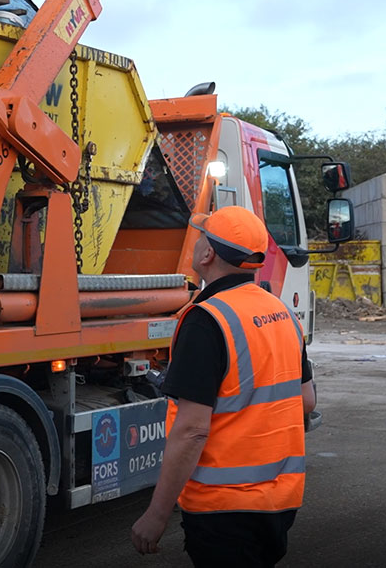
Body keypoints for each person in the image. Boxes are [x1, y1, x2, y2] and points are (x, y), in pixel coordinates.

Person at [131, 206, 316, 565]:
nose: (196, 242)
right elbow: (305, 400)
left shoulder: (207, 320)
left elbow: (192, 431)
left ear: (208, 253)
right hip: (280, 501)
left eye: (201, 236)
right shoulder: (282, 314)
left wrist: (156, 514)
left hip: (224, 508)